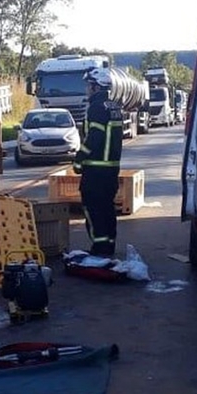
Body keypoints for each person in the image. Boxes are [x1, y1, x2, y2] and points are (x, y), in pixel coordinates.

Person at [73, 68, 123, 257]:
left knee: (93, 208)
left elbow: (94, 137)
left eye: (88, 85)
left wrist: (79, 160)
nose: (87, 89)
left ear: (95, 86)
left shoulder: (96, 107)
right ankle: (108, 245)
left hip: (95, 169)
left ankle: (99, 247)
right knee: (107, 208)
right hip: (111, 168)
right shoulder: (114, 106)